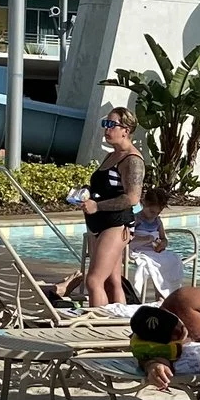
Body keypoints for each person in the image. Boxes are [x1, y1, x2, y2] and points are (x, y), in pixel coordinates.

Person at [77, 108, 144, 307]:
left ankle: (96, 324)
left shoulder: (132, 160)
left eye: (111, 125)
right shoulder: (112, 156)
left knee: (94, 280)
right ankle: (120, 322)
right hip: (100, 222)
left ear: (126, 129)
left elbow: (132, 198)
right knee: (112, 281)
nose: (106, 130)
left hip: (116, 224)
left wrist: (97, 206)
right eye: (104, 124)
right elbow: (107, 187)